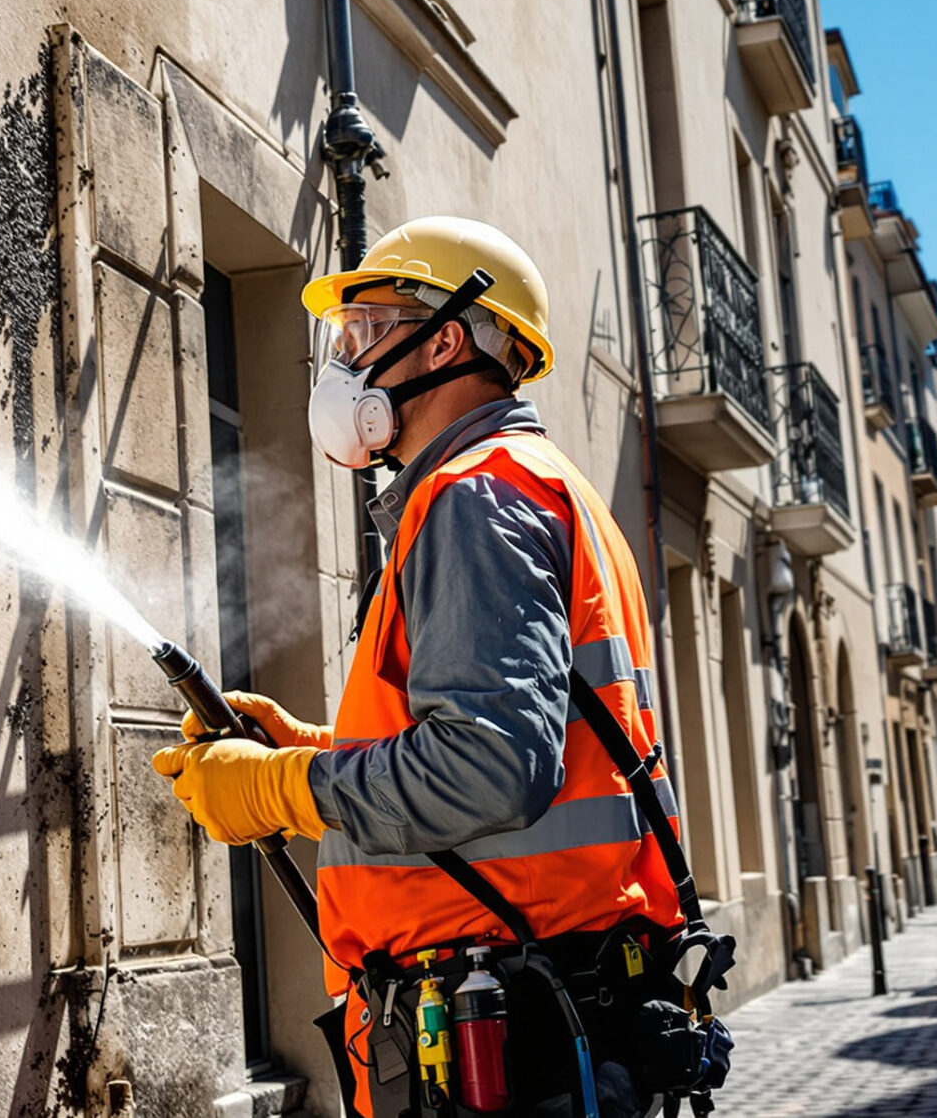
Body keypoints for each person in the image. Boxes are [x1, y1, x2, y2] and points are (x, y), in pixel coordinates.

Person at [148, 217, 731, 1118]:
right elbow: (532, 739)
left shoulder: (476, 498)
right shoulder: (541, 486)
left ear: (445, 339)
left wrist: (282, 787)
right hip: (544, 1011)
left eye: (364, 332)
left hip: (508, 1034)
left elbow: (491, 766)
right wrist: (314, 745)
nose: (344, 363)